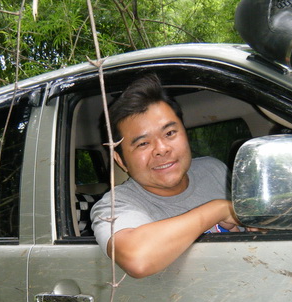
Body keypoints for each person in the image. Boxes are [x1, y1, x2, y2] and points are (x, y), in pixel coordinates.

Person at [90, 74, 246, 279]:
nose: (162, 149)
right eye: (143, 143)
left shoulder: (214, 169)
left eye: (170, 133)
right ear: (120, 160)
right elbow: (138, 259)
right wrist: (219, 209)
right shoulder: (114, 206)